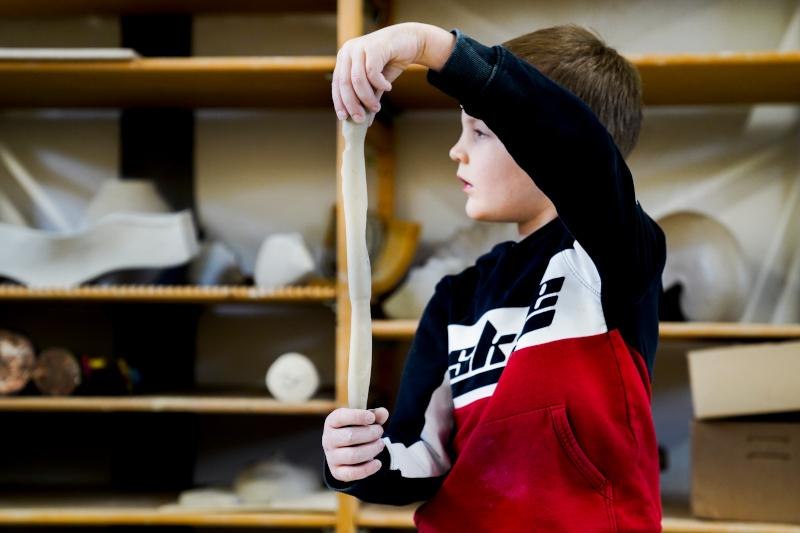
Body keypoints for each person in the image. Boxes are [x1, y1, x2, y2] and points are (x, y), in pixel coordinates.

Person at [323, 21, 665, 532]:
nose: (456, 151)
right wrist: (357, 460)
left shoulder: (614, 254)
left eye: (480, 131)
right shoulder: (458, 297)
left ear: (542, 140)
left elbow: (576, 149)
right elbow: (418, 457)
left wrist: (429, 47)